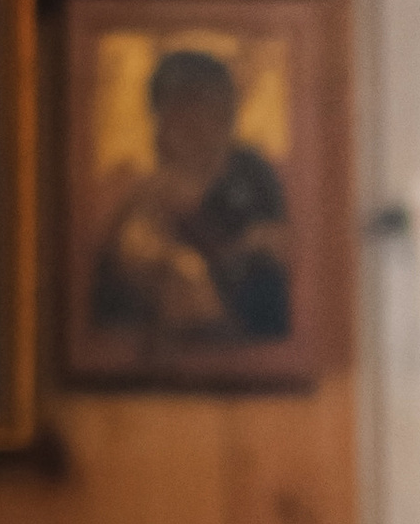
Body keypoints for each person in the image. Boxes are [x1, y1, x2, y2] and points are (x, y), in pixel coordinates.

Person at [89, 46, 291, 341]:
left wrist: (251, 247)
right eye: (180, 112)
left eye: (211, 111)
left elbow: (279, 257)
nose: (196, 127)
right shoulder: (142, 193)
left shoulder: (254, 176)